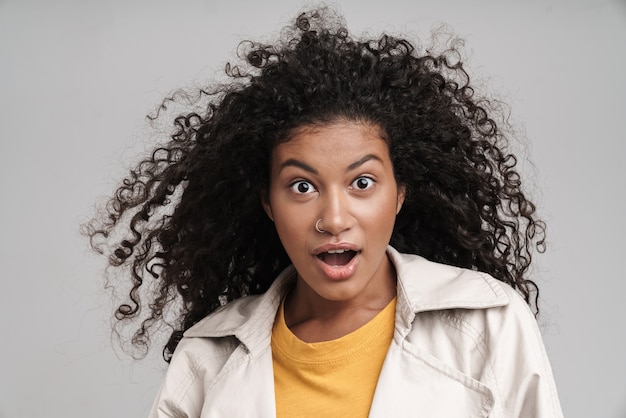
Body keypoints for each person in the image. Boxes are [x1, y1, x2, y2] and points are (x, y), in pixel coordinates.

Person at [85, 8, 563, 417]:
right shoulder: (207, 358)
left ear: (399, 194)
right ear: (268, 203)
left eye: (362, 182)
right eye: (301, 186)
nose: (333, 218)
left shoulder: (488, 323)